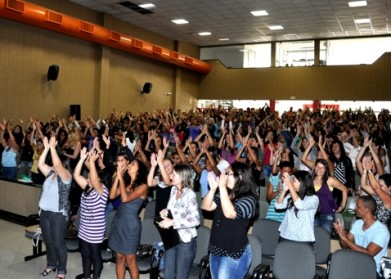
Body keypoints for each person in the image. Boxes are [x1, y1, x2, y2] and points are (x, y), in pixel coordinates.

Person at [202, 162, 259, 279]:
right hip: (216, 249)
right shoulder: (226, 194)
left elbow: (230, 214)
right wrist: (213, 190)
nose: (224, 175)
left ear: (241, 177)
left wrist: (222, 188)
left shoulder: (249, 200)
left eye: (228, 173)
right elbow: (206, 206)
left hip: (233, 253)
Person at [38, 135, 72, 279]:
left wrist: (53, 147)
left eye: (56, 162)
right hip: (44, 213)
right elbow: (40, 164)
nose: (53, 164)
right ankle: (51, 264)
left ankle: (62, 270)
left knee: (58, 243)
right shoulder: (51, 172)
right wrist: (46, 149)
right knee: (48, 241)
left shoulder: (66, 176)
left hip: (58, 215)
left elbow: (58, 165)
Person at [158, 164, 200, 279]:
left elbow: (195, 220)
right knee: (168, 275)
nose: (171, 175)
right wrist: (165, 211)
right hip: (172, 238)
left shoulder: (189, 194)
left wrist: (172, 222)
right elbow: (172, 210)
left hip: (185, 242)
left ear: (182, 177)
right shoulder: (173, 190)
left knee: (181, 276)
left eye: (174, 174)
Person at [109, 159, 148, 279]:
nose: (129, 165)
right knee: (119, 257)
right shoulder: (125, 183)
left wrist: (120, 178)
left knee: (130, 260)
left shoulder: (143, 186)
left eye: (133, 164)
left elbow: (125, 199)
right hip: (119, 222)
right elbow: (111, 196)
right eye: (130, 163)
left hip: (131, 225)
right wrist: (118, 178)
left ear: (139, 170)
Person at [73, 147, 109, 279]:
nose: (88, 179)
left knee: (95, 256)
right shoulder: (88, 187)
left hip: (95, 230)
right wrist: (82, 159)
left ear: (99, 179)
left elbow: (94, 180)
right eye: (87, 178)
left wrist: (92, 162)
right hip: (84, 228)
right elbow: (76, 175)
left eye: (90, 177)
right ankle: (87, 277)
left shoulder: (102, 190)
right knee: (85, 255)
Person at [333, 196, 390, 278]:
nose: (355, 209)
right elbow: (344, 246)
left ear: (367, 210)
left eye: (358, 207)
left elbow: (368, 254)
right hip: (356, 264)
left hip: (372, 270)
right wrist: (341, 234)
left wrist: (345, 238)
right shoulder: (358, 223)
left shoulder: (382, 231)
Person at [275, 170, 319, 245]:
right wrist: (284, 190)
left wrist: (290, 185)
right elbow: (278, 206)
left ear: (302, 183)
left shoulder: (313, 198)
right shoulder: (291, 195)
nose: (292, 182)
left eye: (294, 181)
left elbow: (300, 205)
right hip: (286, 234)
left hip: (303, 238)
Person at [313, 158, 348, 234]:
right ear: (314, 167)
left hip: (328, 214)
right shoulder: (311, 179)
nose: (319, 169)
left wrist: (343, 205)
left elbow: (344, 189)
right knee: (314, 237)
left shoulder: (330, 180)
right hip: (314, 214)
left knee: (325, 237)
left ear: (326, 169)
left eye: (322, 167)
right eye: (317, 167)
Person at [147, 149, 174, 216]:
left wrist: (160, 164)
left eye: (168, 165)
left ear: (173, 166)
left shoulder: (176, 178)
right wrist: (153, 166)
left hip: (171, 212)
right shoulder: (159, 178)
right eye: (164, 165)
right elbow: (149, 183)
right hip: (159, 211)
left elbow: (167, 182)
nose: (166, 167)